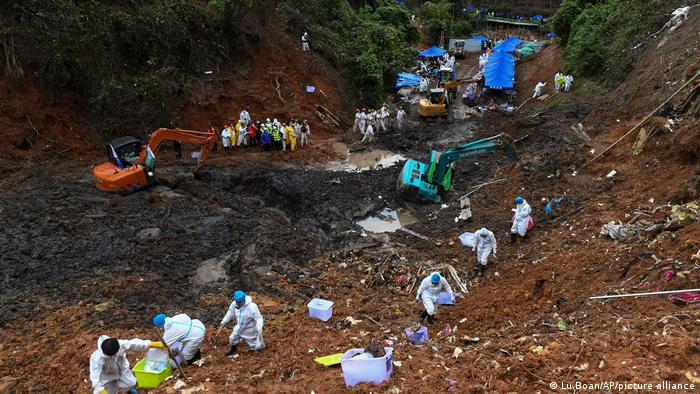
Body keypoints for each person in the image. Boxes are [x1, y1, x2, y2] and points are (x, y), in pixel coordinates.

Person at [90, 335, 164, 394]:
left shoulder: (119, 344)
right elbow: (95, 377)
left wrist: (152, 344)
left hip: (121, 369)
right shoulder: (97, 358)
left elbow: (134, 344)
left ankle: (129, 390)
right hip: (106, 376)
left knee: (131, 383)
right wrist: (101, 391)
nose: (116, 354)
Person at [220, 290, 265, 355]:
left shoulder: (252, 307)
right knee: (233, 338)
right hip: (239, 326)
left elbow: (258, 317)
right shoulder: (234, 304)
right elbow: (230, 312)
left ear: (243, 300)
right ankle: (233, 349)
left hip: (249, 328)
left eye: (240, 302)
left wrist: (259, 326)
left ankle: (256, 351)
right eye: (237, 302)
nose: (238, 304)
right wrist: (224, 320)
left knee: (253, 341)